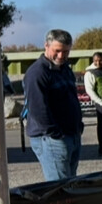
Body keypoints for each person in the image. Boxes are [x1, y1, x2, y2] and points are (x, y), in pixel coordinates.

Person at [23, 29, 84, 181]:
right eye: (57, 51)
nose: (61, 56)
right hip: (52, 139)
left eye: (66, 51)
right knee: (60, 187)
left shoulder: (65, 69)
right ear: (46, 46)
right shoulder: (37, 73)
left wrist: (77, 127)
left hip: (71, 135)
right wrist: (55, 133)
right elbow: (37, 109)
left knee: (70, 183)